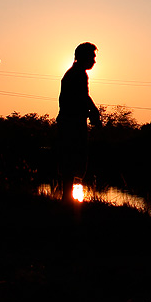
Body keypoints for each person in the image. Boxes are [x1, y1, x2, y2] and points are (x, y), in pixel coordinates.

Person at [57, 42, 101, 202]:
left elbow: (83, 98)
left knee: (72, 160)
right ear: (84, 57)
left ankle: (68, 198)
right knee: (71, 159)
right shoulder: (77, 74)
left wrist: (92, 111)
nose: (94, 61)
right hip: (71, 123)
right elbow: (80, 98)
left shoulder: (77, 73)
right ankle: (67, 199)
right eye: (92, 57)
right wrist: (93, 112)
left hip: (72, 121)